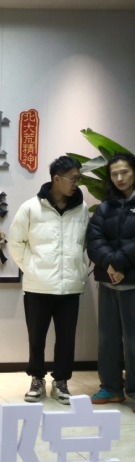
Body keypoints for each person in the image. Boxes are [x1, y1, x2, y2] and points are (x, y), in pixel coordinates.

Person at [8, 156, 89, 405]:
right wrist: (32, 269)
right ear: (56, 179)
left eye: (78, 179)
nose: (76, 184)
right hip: (38, 287)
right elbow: (15, 242)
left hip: (70, 288)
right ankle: (37, 379)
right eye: (72, 179)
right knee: (36, 338)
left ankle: (61, 381)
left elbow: (84, 244)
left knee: (66, 338)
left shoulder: (82, 209)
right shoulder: (31, 207)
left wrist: (76, 268)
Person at [86, 152, 135, 409]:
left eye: (124, 172)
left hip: (132, 283)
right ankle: (111, 387)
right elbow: (94, 238)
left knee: (134, 340)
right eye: (114, 174)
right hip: (109, 282)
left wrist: (120, 263)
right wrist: (110, 264)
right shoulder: (106, 205)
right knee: (107, 338)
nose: (119, 178)